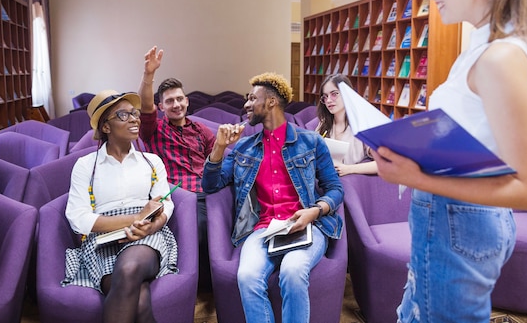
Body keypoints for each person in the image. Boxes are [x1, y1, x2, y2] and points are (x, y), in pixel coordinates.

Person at [368, 0, 527, 322]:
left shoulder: (501, 57)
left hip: (459, 221)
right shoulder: (485, 47)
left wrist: (415, 177)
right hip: (451, 218)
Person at [201, 72, 344, 323]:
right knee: (247, 276)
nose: (246, 104)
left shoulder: (310, 142)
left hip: (307, 225)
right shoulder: (244, 148)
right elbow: (211, 185)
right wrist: (219, 148)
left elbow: (335, 189)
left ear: (270, 102)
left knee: (292, 270)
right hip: (263, 229)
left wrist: (315, 211)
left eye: (252, 98)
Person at [63, 90, 178, 323]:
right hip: (102, 240)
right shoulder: (86, 165)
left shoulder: (152, 161)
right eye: (124, 115)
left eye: (134, 113)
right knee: (140, 298)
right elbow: (78, 218)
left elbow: (165, 203)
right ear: (106, 127)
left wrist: (151, 225)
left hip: (147, 236)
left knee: (127, 270)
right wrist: (136, 217)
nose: (135, 119)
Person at [138, 46, 216, 291]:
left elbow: (216, 161)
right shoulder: (154, 130)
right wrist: (148, 75)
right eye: (169, 101)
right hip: (177, 195)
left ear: (187, 101)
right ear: (160, 106)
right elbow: (144, 106)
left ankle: (220, 279)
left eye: (180, 99)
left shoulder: (201, 130)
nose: (176, 104)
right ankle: (198, 285)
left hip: (206, 192)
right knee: (201, 229)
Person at [315, 73, 378, 176]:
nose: (329, 100)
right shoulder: (324, 124)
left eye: (334, 94)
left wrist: (349, 169)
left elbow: (382, 163)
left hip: (353, 184)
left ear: (347, 93)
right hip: (325, 182)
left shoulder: (362, 126)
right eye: (325, 97)